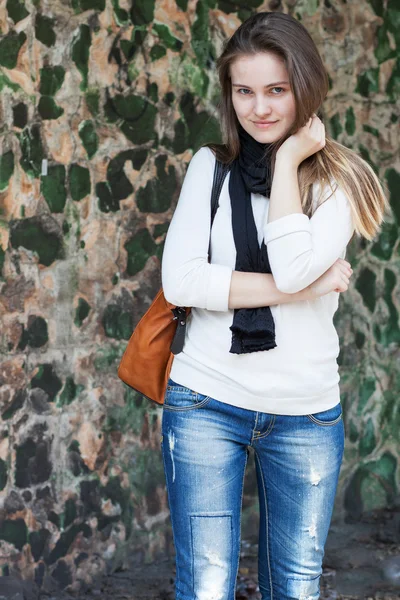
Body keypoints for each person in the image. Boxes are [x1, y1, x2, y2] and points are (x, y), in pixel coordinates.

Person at [160, 11, 388, 600]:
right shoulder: (210, 167)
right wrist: (309, 288)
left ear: (304, 89)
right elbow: (183, 282)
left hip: (305, 413)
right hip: (206, 398)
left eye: (276, 91)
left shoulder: (338, 181)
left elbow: (284, 264)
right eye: (244, 91)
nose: (259, 108)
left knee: (294, 587)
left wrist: (287, 162)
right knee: (206, 586)